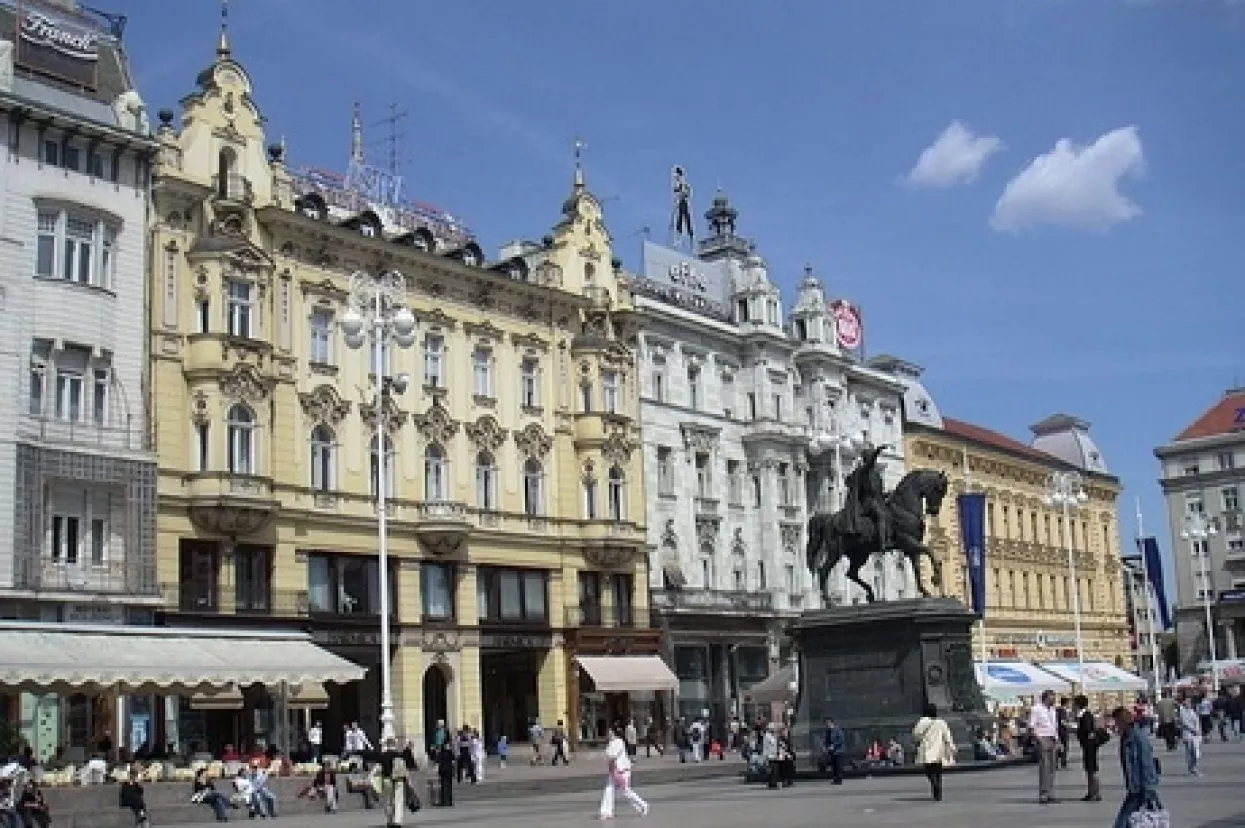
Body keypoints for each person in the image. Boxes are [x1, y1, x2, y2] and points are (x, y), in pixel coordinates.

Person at [1112, 707, 1162, 828]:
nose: (1116, 726)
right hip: (1134, 787)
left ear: (1123, 721)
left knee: (1123, 821)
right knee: (1131, 820)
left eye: (1117, 723)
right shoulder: (1126, 737)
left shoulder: (1139, 738)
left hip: (1142, 787)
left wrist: (1148, 788)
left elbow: (1147, 763)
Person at [843, 445, 892, 550]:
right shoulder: (863, 471)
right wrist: (878, 451)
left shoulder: (877, 475)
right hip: (866, 502)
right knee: (881, 515)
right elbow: (867, 492)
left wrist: (889, 494)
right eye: (871, 457)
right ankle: (883, 542)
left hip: (876, 501)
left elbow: (879, 494)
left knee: (891, 513)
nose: (873, 460)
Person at [598, 726, 648, 820]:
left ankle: (643, 805)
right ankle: (606, 812)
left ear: (614, 733)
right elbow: (608, 756)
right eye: (608, 732)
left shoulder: (619, 742)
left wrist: (609, 759)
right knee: (608, 789)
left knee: (626, 792)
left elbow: (613, 756)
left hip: (622, 771)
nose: (608, 734)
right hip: (613, 771)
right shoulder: (610, 743)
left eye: (610, 732)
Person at [914, 703, 956, 802]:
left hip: (927, 748)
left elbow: (916, 734)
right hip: (939, 749)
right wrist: (951, 747)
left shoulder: (923, 722)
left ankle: (934, 784)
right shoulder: (941, 722)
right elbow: (947, 736)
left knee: (929, 771)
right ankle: (938, 790)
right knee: (938, 771)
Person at [1029, 689, 1060, 804]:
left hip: (1052, 737)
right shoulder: (1036, 709)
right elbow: (1032, 726)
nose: (1054, 700)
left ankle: (1051, 793)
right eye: (1052, 698)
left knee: (1052, 767)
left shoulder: (1053, 710)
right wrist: (1039, 739)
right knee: (1044, 767)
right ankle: (1043, 794)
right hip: (1042, 738)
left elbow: (1054, 726)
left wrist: (1058, 740)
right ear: (1046, 698)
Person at [1074, 695, 1107, 802]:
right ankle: (1091, 792)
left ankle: (1095, 793)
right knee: (1090, 769)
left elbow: (1088, 730)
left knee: (1092, 769)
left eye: (1074, 704)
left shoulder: (1086, 715)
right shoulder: (1085, 715)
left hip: (1090, 746)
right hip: (1088, 745)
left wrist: (1078, 730)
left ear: (1078, 704)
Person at [1178, 695, 1203, 776]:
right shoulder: (1182, 711)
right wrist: (1193, 730)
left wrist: (1198, 731)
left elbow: (1197, 721)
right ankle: (1192, 769)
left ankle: (1194, 767)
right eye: (1187, 701)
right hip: (1188, 734)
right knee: (1190, 752)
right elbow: (1184, 722)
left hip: (1196, 735)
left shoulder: (1192, 711)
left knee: (1196, 753)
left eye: (1190, 701)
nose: (1189, 703)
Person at [820, 717, 845, 785]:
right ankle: (835, 779)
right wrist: (824, 747)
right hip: (831, 751)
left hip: (838, 751)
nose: (826, 725)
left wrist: (834, 746)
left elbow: (841, 740)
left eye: (827, 723)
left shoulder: (837, 729)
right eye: (825, 723)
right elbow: (826, 741)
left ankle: (839, 779)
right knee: (833, 766)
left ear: (831, 722)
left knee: (838, 766)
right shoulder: (827, 731)